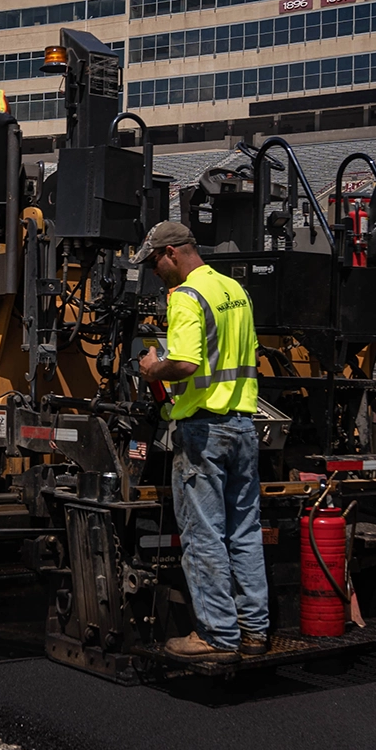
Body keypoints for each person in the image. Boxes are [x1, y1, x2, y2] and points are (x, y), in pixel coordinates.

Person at [133, 220, 269, 661]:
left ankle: (216, 635)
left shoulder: (187, 297)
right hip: (244, 425)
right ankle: (253, 629)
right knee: (245, 531)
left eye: (154, 261)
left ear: (172, 252)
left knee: (203, 535)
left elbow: (187, 364)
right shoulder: (234, 290)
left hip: (204, 432)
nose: (153, 270)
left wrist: (154, 367)